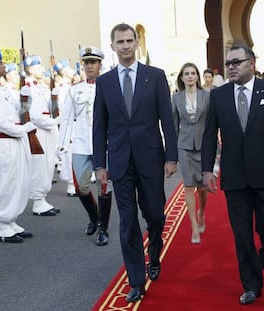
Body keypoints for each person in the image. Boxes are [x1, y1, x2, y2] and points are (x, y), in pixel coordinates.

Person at [201, 44, 264, 305]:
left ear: (251, 63)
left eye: (236, 62)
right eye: (228, 62)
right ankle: (251, 284)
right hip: (234, 178)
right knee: (242, 235)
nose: (230, 66)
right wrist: (207, 170)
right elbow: (209, 135)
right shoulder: (218, 95)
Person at [93, 23, 178, 303]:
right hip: (120, 162)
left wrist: (171, 156)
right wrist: (100, 164)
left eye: (130, 40)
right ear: (113, 46)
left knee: (155, 215)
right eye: (121, 42)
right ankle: (136, 280)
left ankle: (154, 252)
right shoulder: (104, 83)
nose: (126, 45)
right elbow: (99, 126)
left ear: (136, 43)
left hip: (151, 158)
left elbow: (167, 119)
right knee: (127, 221)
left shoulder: (154, 77)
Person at [0, 49, 34, 243]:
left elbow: (18, 111)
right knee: (5, 182)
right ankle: (3, 225)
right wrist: (23, 130)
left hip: (13, 141)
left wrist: (26, 98)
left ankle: (11, 220)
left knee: (18, 181)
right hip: (3, 141)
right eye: (0, 63)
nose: (4, 66)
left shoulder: (2, 88)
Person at [59, 46, 113, 246]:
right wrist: (62, 145)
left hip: (104, 145)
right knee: (82, 187)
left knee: (104, 187)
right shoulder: (75, 89)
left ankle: (103, 228)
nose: (89, 66)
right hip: (81, 143)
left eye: (93, 62)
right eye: (86, 62)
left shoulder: (109, 87)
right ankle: (93, 216)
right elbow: (66, 119)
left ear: (100, 65)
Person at [172, 62, 210, 244]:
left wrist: (216, 147)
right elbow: (173, 126)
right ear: (182, 77)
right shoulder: (176, 98)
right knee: (188, 187)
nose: (189, 76)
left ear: (197, 77)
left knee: (202, 188)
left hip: (204, 145)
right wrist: (171, 153)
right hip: (184, 146)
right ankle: (194, 227)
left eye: (193, 73)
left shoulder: (206, 96)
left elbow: (212, 123)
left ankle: (201, 212)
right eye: (186, 73)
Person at [24, 55, 60, 215]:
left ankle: (42, 199)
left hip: (47, 129)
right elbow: (34, 115)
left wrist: (54, 97)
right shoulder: (28, 87)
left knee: (48, 164)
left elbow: (49, 108)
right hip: (39, 131)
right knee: (39, 167)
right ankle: (38, 201)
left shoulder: (39, 86)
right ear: (30, 69)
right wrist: (54, 121)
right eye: (39, 67)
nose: (42, 69)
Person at [53, 58, 76, 197]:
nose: (72, 70)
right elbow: (63, 109)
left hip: (73, 124)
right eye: (68, 68)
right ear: (63, 72)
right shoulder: (62, 89)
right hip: (68, 124)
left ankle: (75, 182)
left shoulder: (70, 86)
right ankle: (71, 184)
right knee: (68, 154)